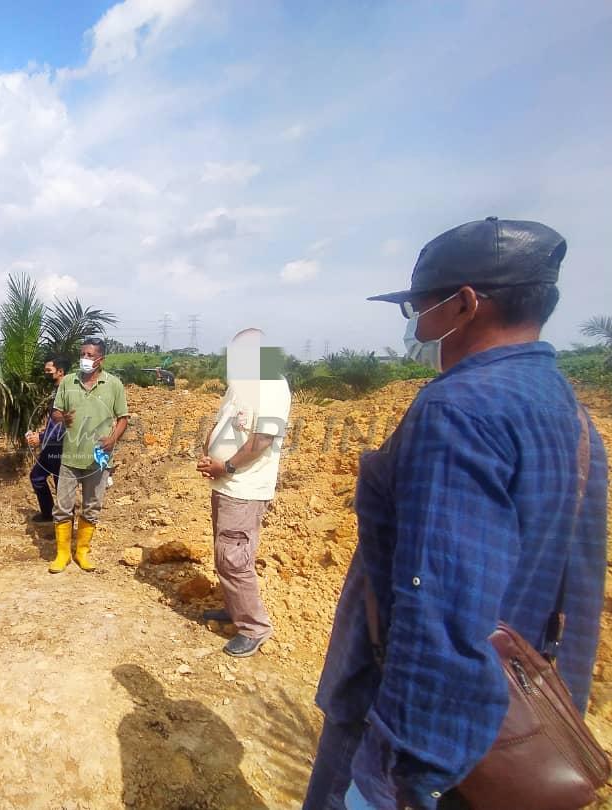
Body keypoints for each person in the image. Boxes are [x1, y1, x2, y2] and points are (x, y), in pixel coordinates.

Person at [303, 218, 608, 810]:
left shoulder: (456, 410)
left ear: (464, 304)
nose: (418, 325)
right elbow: (581, 583)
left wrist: (407, 772)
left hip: (419, 741)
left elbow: (439, 602)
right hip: (507, 730)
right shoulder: (572, 416)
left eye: (420, 307)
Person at [196, 345, 291, 657]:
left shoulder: (273, 387)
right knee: (225, 554)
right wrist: (209, 455)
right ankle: (234, 608)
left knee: (234, 559)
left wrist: (227, 465)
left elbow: (263, 438)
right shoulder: (240, 387)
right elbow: (222, 423)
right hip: (226, 484)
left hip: (245, 488)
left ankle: (254, 627)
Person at [49, 338, 129, 573]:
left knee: (92, 506)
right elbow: (55, 413)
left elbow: (123, 418)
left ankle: (82, 551)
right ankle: (62, 553)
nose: (84, 358)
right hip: (70, 458)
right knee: (63, 506)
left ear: (100, 359)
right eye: (82, 354)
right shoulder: (68, 383)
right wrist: (62, 419)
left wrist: (113, 439)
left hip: (98, 459)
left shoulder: (113, 384)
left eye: (90, 355)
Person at [25, 356, 69, 523]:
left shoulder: (66, 393)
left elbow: (64, 424)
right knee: (37, 476)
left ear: (60, 371)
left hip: (61, 447)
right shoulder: (57, 392)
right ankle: (48, 513)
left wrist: (41, 437)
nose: (46, 374)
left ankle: (65, 523)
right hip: (51, 446)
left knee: (62, 486)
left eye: (48, 371)